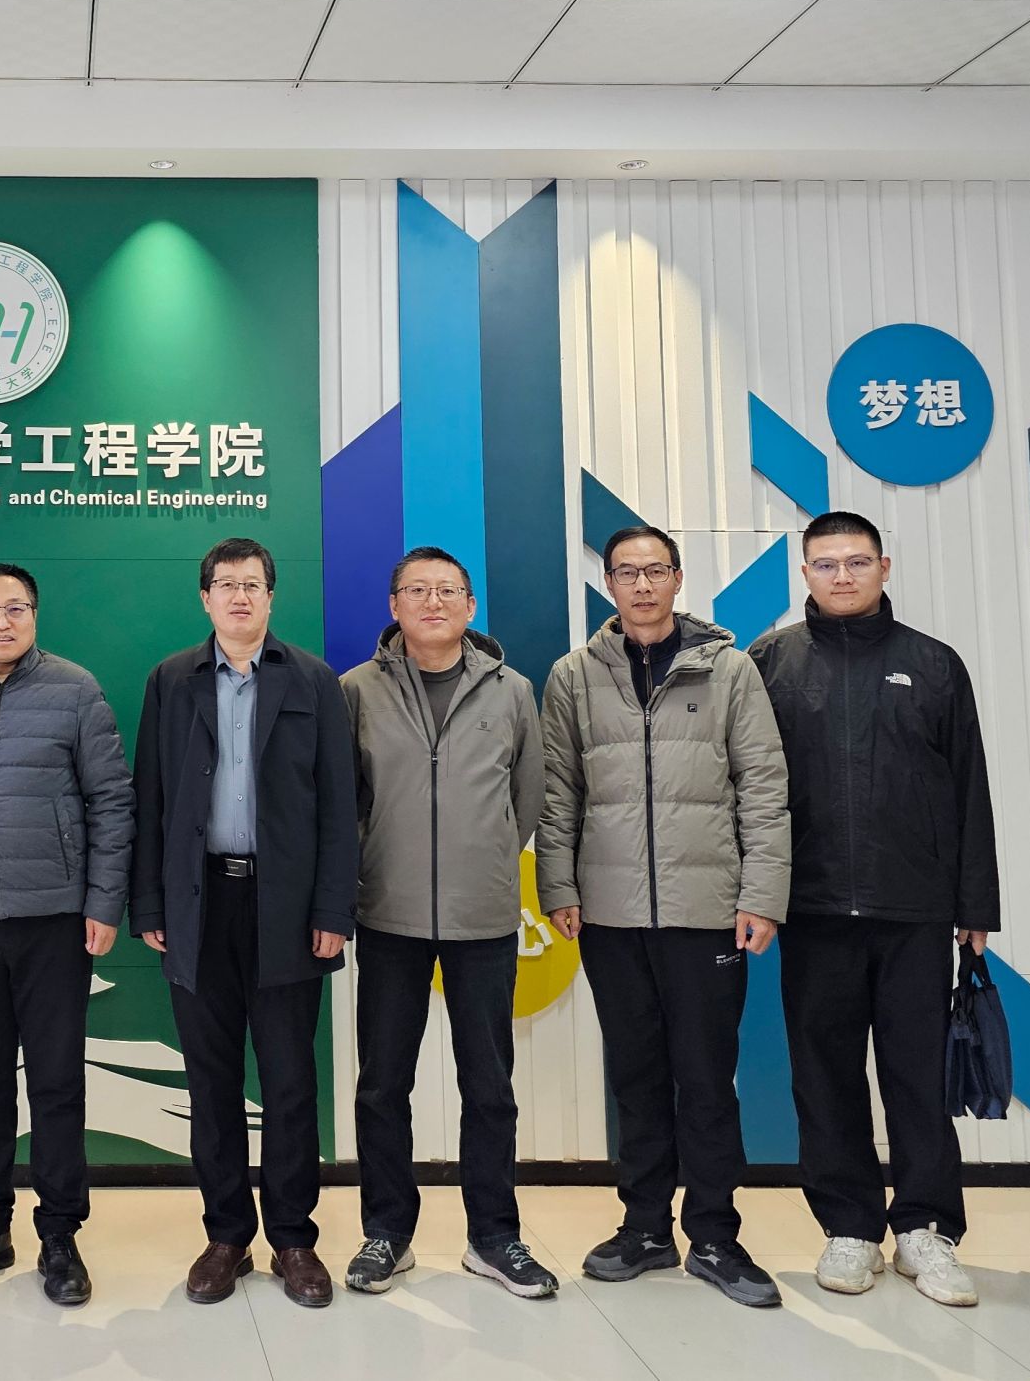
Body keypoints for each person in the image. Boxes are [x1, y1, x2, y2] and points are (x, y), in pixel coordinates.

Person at [538, 525, 790, 1308]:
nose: (641, 585)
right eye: (626, 572)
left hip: (706, 910)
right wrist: (558, 885)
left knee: (707, 1077)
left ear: (678, 578)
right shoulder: (574, 675)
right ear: (608, 583)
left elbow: (763, 784)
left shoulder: (730, 669)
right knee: (637, 1074)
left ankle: (714, 1233)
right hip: (610, 916)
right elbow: (558, 791)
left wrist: (762, 893)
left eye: (655, 570)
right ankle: (645, 1226)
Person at [750, 511, 997, 1307]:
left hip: (914, 909)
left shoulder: (934, 664)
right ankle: (850, 1225)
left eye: (857, 561)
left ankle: (926, 1227)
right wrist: (756, 893)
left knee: (916, 1073)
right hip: (812, 907)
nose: (843, 576)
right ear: (805, 573)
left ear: (884, 566)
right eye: (826, 564)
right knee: (824, 1073)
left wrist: (974, 902)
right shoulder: (770, 664)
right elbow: (746, 790)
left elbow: (969, 788)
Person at [130, 538, 358, 1310]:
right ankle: (226, 1233)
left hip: (286, 907)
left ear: (270, 596)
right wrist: (150, 904)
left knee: (290, 1082)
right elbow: (150, 797)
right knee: (211, 1081)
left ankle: (293, 1237)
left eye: (252, 584)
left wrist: (333, 907)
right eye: (225, 584)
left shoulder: (314, 680)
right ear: (205, 598)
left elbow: (339, 804)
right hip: (199, 906)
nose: (238, 596)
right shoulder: (171, 680)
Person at [0, 562, 134, 1308]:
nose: (1, 621)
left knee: (57, 1082)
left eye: (15, 608)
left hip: (56, 922)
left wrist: (103, 902)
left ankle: (60, 1233)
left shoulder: (76, 689)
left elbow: (112, 800)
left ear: (35, 615)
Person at [339, 547, 553, 1299]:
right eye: (417, 590)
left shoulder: (512, 690)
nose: (433, 602)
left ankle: (493, 1237)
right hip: (387, 913)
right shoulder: (356, 690)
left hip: (482, 916)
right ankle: (387, 1232)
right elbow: (345, 800)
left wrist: (483, 854)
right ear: (393, 605)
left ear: (470, 605)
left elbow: (528, 797)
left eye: (448, 590)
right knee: (381, 1085)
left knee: (489, 1086)